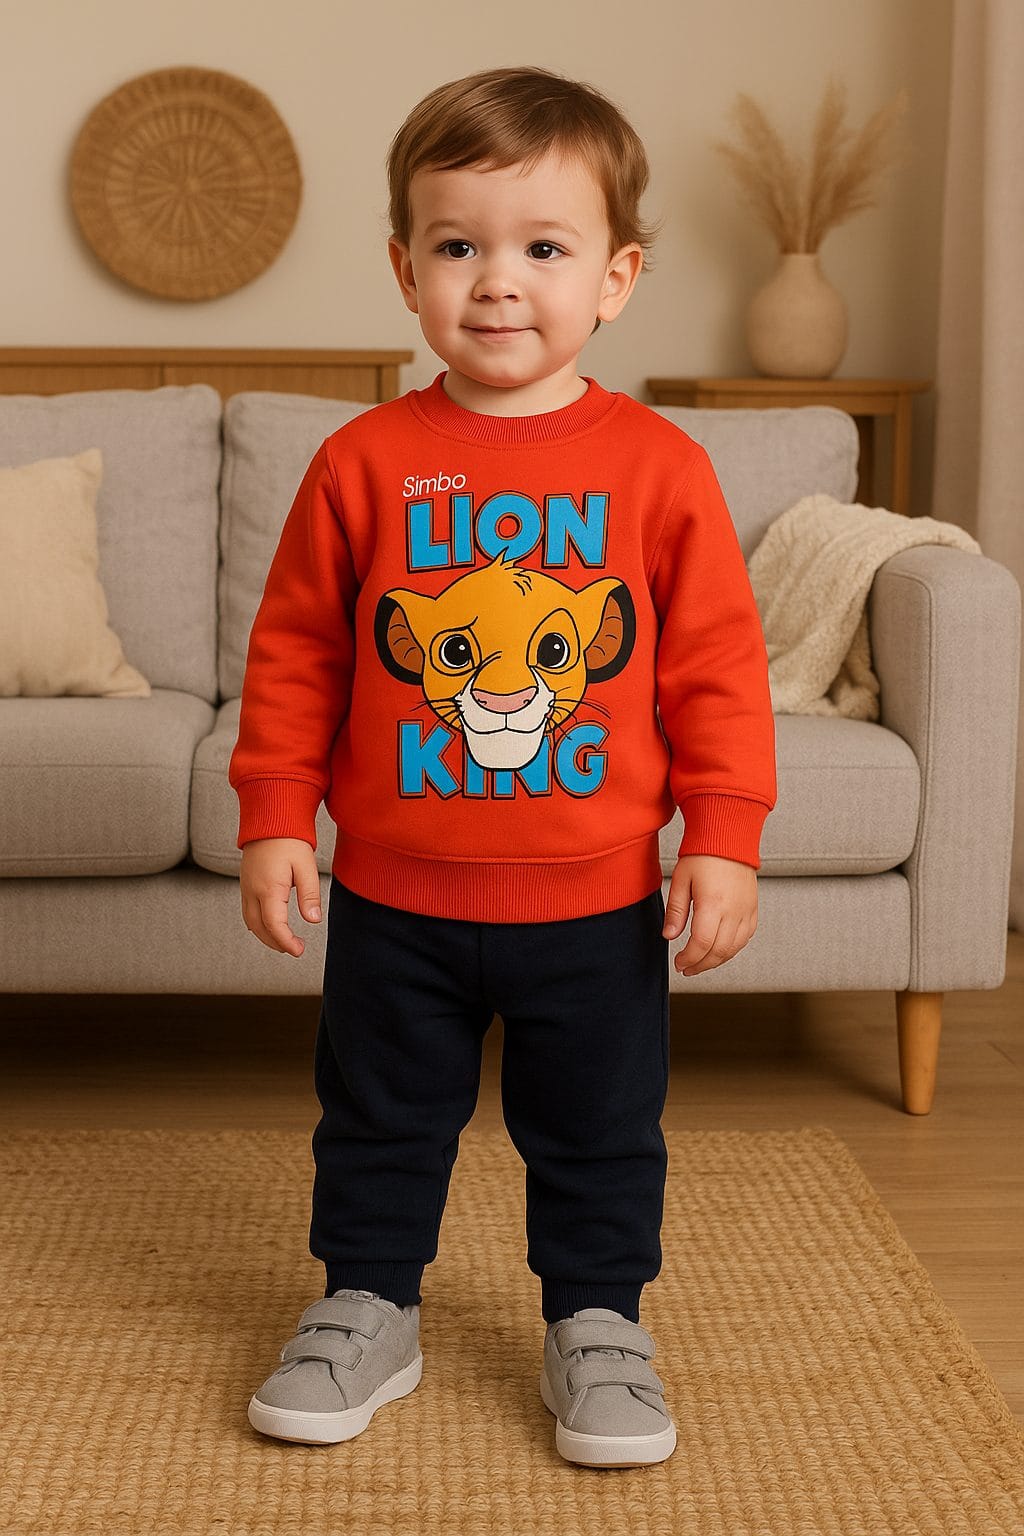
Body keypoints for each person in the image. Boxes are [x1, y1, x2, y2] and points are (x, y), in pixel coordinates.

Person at [229, 63, 777, 1468]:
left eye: (543, 246)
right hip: (396, 898)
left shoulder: (660, 468)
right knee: (375, 1119)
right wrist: (277, 813)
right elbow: (298, 654)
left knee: (600, 1129)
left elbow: (715, 668)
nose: (497, 281)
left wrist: (721, 834)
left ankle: (598, 1321)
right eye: (457, 245)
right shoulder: (361, 462)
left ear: (615, 276)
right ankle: (368, 1304)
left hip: (594, 904)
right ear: (405, 269)